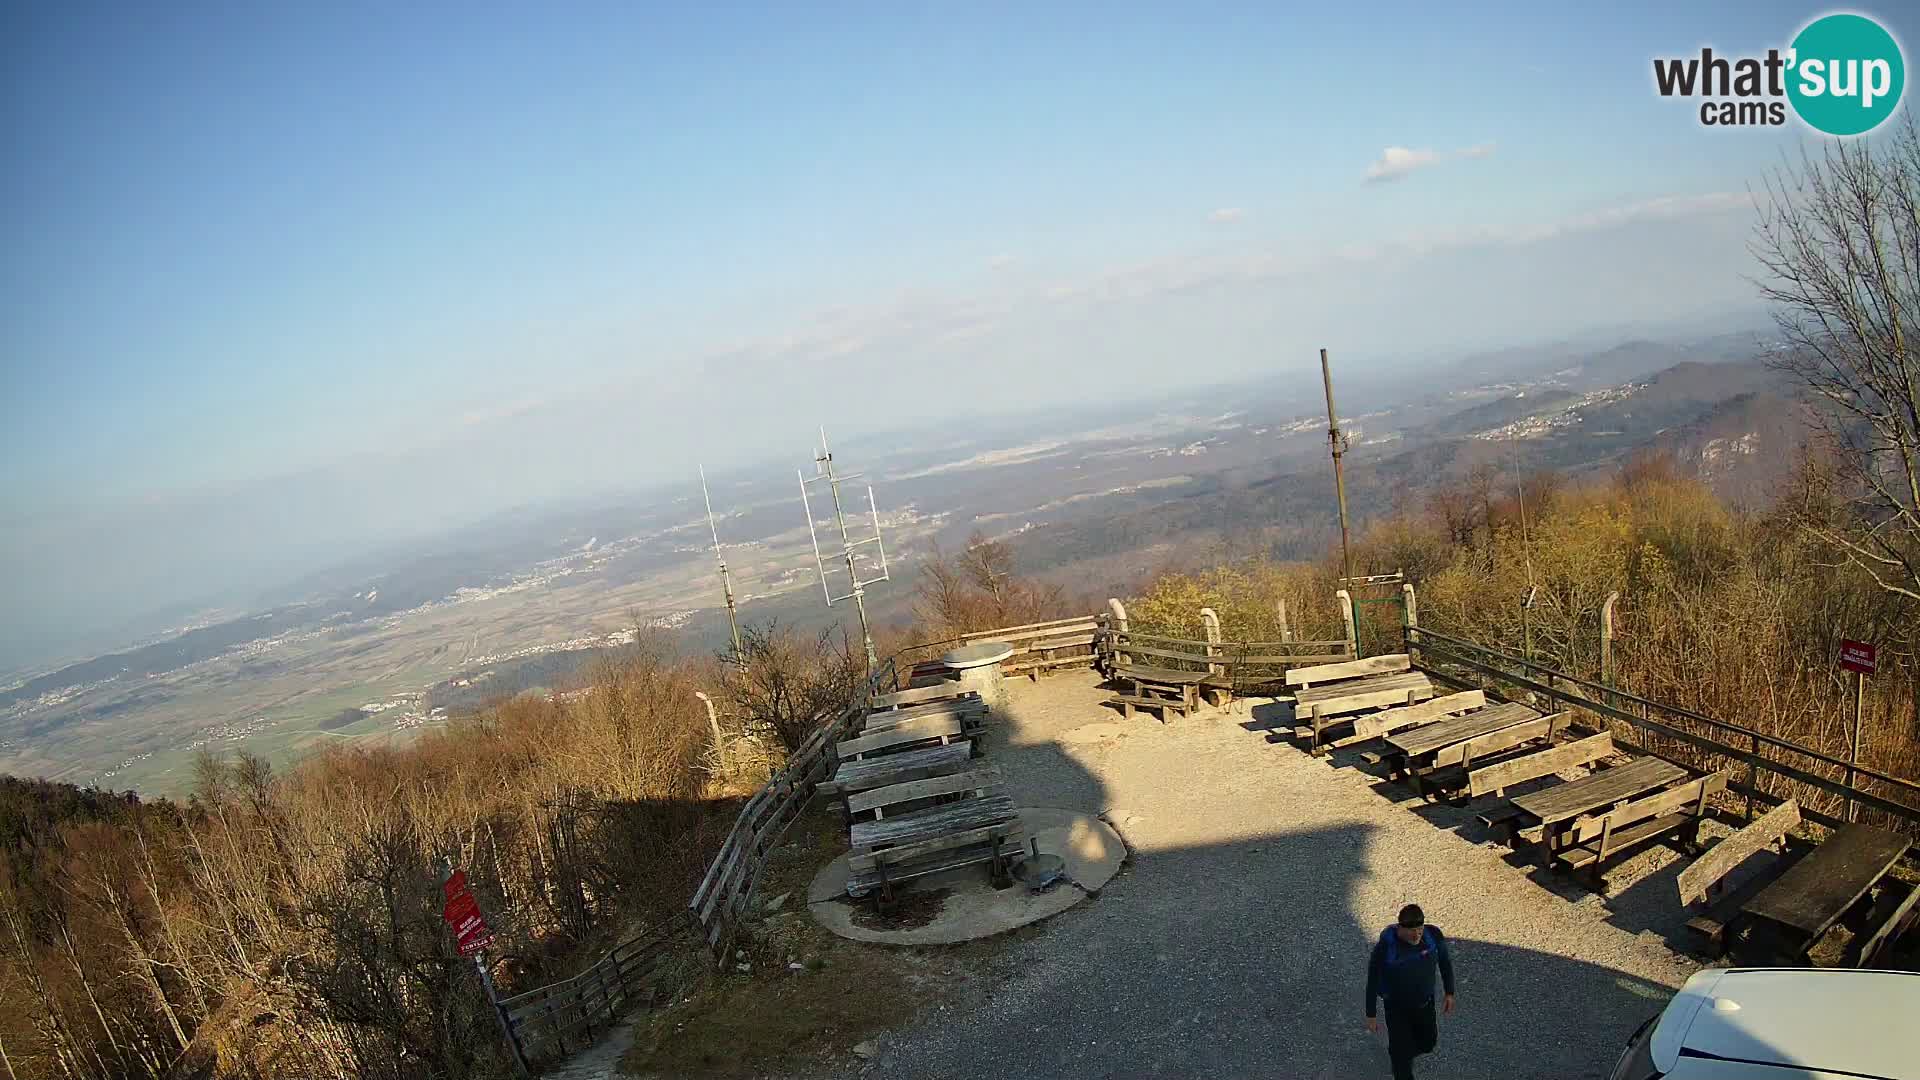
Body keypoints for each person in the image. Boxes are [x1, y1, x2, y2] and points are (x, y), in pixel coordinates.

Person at [1364, 904, 1456, 1080]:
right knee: (1402, 1062)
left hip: (1424, 1005)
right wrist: (1371, 1014)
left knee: (1428, 1044)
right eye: (1411, 931)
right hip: (1397, 1010)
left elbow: (1444, 962)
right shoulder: (1385, 948)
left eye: (1420, 930)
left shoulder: (1433, 936)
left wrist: (1449, 992)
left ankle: (1402, 1052)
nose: (1416, 936)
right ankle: (1400, 1056)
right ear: (1400, 929)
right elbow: (1373, 979)